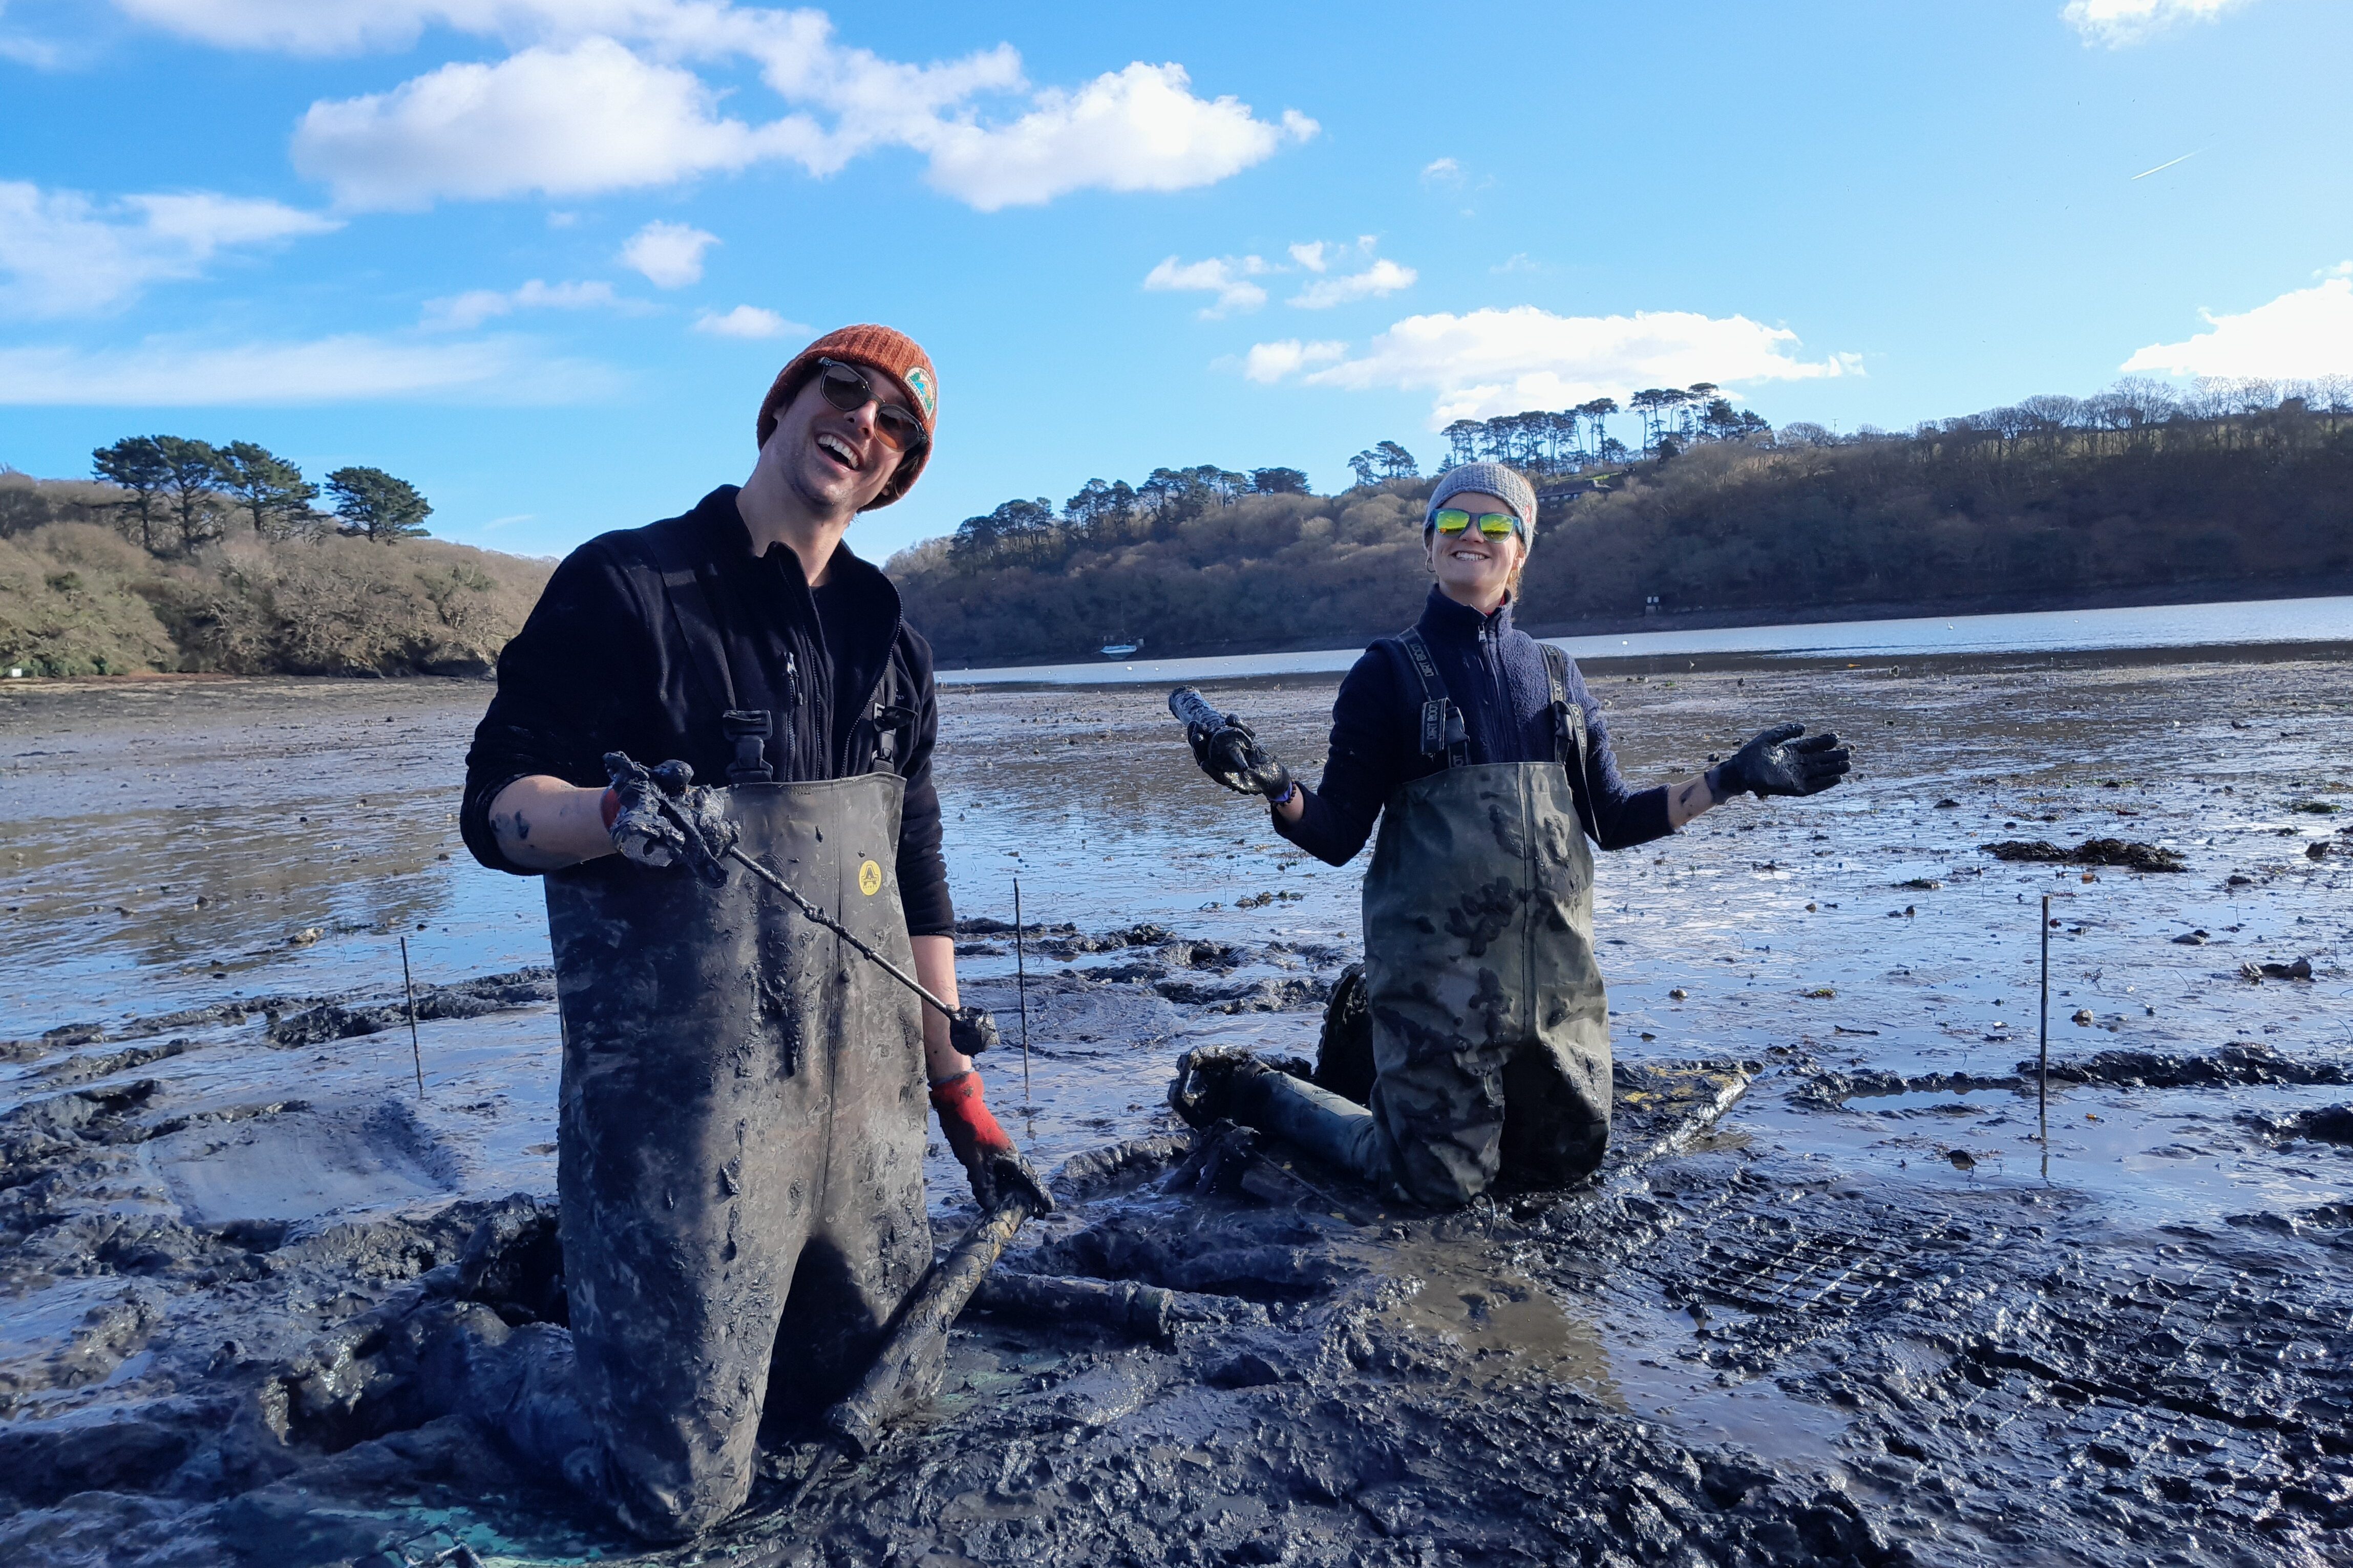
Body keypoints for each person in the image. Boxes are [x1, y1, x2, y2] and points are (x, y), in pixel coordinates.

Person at [459, 325, 1046, 1541]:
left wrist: (958, 1088)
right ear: (783, 406)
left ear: (900, 471)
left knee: (884, 1416)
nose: (865, 424)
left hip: (864, 1116)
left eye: (898, 424)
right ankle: (474, 1348)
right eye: (845, 391)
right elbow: (496, 809)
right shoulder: (627, 585)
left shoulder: (893, 638)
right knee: (672, 1498)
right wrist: (612, 815)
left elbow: (914, 877)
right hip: (685, 1122)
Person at [1171, 461, 1850, 1207]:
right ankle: (1266, 1092)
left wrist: (1731, 779)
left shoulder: (1558, 676)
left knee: (1565, 1166)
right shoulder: (1386, 674)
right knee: (1429, 1181)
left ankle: (1388, 1072)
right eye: (1454, 522)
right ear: (1429, 544)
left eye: (1495, 524)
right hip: (1437, 990)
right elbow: (1337, 835)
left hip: (1555, 993)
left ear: (1520, 550)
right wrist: (1277, 787)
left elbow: (1613, 819)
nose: (1473, 536)